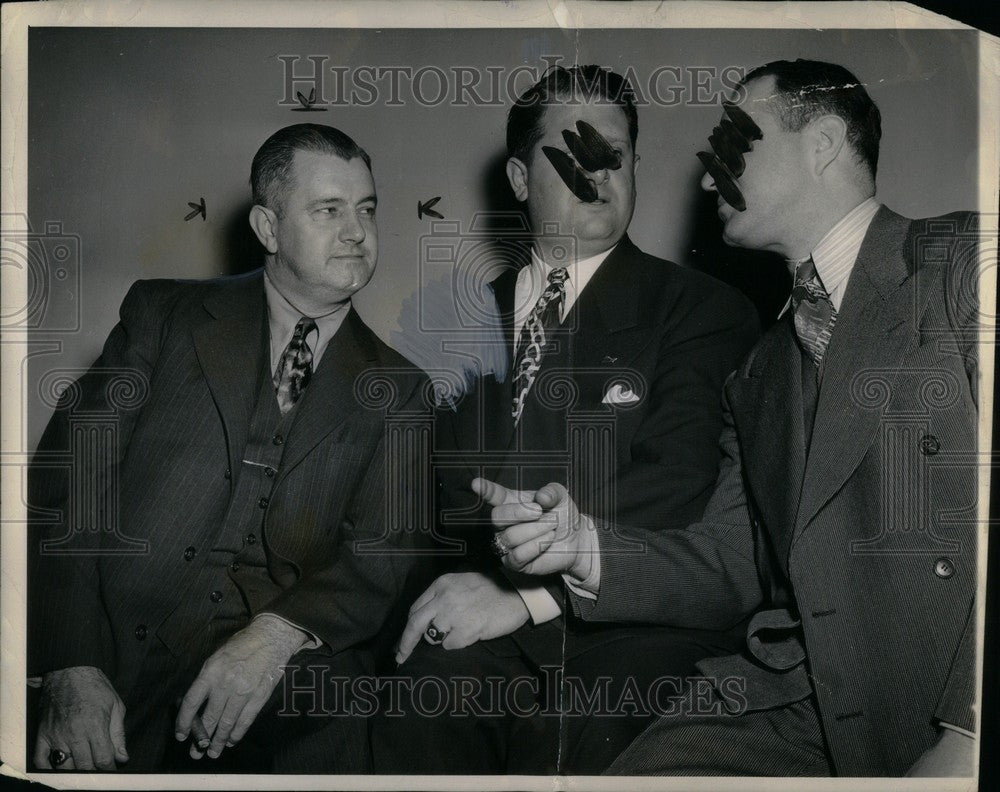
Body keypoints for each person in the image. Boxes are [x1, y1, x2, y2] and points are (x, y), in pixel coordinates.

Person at [474, 59, 980, 777]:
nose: (709, 178)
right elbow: (735, 563)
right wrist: (582, 546)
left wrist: (969, 732)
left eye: (735, 143)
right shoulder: (761, 370)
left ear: (823, 143)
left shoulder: (962, 263)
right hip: (802, 707)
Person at [371, 64, 759, 774]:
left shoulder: (703, 311)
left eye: (616, 153)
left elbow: (680, 484)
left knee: (590, 724)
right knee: (421, 699)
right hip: (476, 620)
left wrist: (529, 594)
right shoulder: (452, 321)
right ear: (520, 180)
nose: (599, 172)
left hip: (634, 632)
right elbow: (436, 502)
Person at [27, 123, 429, 773]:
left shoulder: (402, 390)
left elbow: (381, 558)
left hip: (264, 695)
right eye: (329, 210)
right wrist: (71, 662)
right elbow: (67, 483)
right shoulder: (163, 316)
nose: (357, 231)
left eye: (367, 209)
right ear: (269, 229)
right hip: (103, 646)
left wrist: (277, 634)